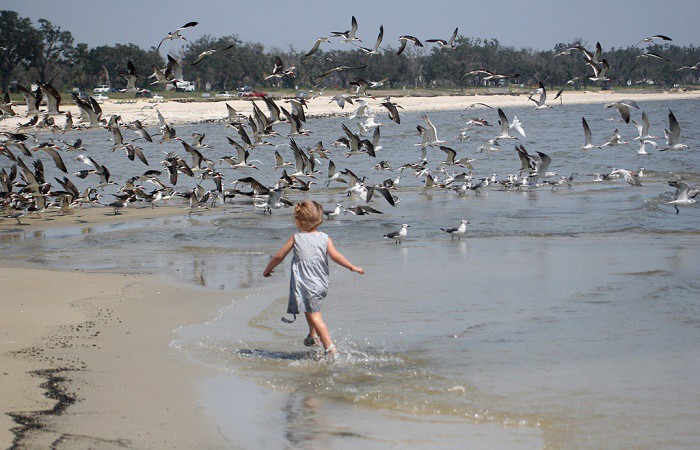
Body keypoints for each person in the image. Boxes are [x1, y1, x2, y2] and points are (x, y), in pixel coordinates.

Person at [263, 200, 364, 356]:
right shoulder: (325, 238)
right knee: (309, 309)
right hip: (320, 283)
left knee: (315, 317)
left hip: (305, 284)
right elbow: (335, 256)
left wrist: (267, 270)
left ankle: (330, 348)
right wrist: (351, 266)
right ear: (320, 218)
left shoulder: (296, 238)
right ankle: (312, 335)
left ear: (298, 220)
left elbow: (278, 256)